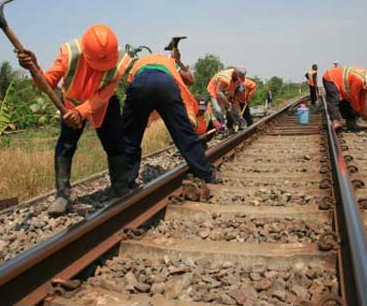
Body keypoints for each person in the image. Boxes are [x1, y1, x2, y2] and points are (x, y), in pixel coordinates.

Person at [16, 24, 131, 215]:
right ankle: (62, 195)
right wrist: (33, 67)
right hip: (70, 104)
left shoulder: (118, 62)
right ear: (86, 54)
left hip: (103, 103)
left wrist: (83, 111)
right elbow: (47, 82)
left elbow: (103, 95)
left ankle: (120, 187)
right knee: (66, 145)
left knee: (115, 143)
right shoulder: (70, 54)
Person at [122, 49, 221, 187]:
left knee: (130, 137)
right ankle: (207, 174)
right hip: (166, 85)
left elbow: (132, 86)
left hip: (141, 82)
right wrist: (188, 114)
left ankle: (125, 183)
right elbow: (187, 82)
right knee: (184, 134)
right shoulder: (169, 63)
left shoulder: (138, 63)